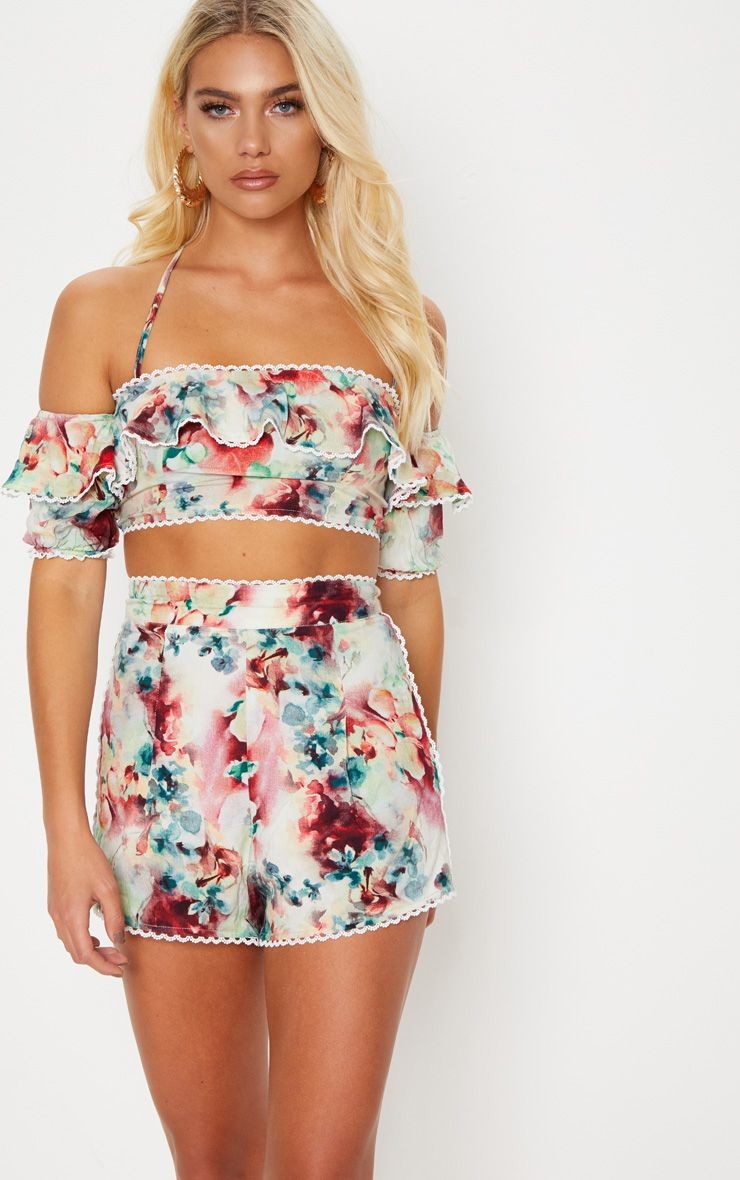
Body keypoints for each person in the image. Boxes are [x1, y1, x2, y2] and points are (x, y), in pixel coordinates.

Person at [1, 2, 473, 1176]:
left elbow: (410, 588)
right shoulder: (106, 312)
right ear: (181, 124)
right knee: (211, 1159)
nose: (251, 140)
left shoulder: (397, 324)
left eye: (285, 105)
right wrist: (63, 826)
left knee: (325, 1161)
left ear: (325, 124)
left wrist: (412, 796)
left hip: (358, 771)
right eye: (220, 106)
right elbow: (65, 581)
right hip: (167, 767)